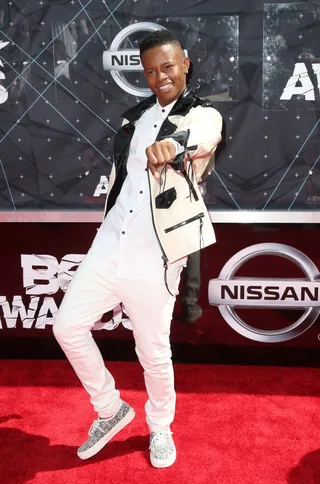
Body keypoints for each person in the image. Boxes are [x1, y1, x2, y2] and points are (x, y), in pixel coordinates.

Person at [53, 29, 222, 468]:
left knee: (153, 350)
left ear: (184, 62)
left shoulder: (201, 115)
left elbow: (205, 137)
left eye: (167, 66)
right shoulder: (134, 118)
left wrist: (175, 144)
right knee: (67, 327)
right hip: (111, 241)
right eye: (150, 70)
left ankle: (161, 426)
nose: (159, 76)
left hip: (157, 252)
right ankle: (110, 410)